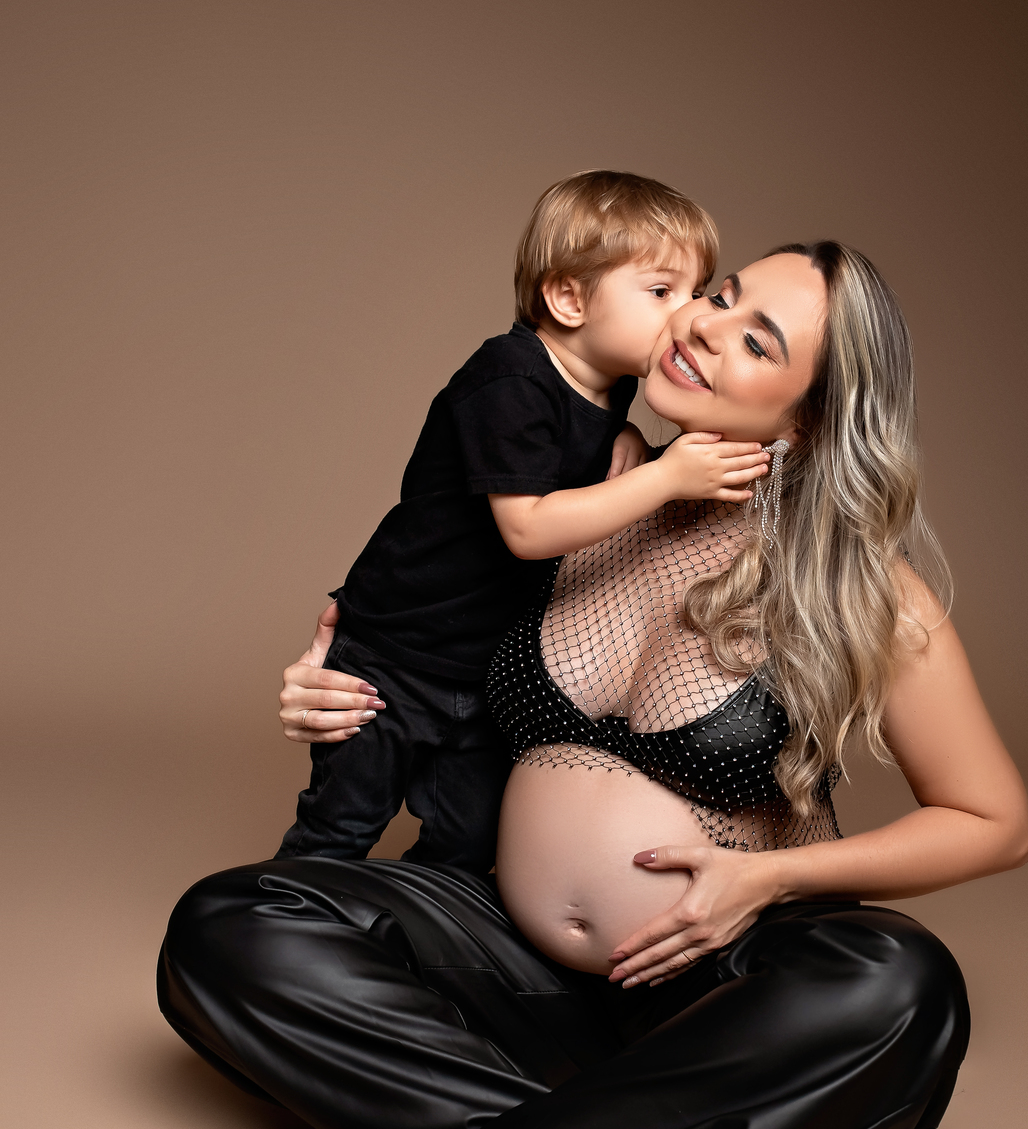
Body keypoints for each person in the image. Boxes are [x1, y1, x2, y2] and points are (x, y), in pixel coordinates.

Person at [158, 241, 1028, 1129]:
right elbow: (406, 644)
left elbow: (993, 822)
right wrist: (331, 690)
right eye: (720, 296)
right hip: (509, 964)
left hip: (717, 988)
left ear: (808, 421)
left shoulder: (857, 583)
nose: (705, 324)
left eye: (758, 340)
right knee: (228, 922)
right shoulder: (571, 497)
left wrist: (767, 882)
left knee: (904, 987)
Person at [275, 168, 768, 879]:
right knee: (341, 824)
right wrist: (664, 478)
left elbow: (573, 445)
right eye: (661, 291)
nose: (686, 314)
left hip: (484, 668)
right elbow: (528, 530)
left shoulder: (612, 385)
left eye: (697, 290)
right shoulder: (508, 376)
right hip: (397, 654)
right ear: (568, 299)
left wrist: (625, 437)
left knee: (471, 844)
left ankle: (401, 929)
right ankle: (281, 918)